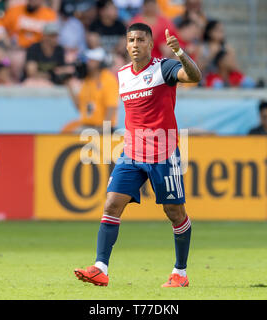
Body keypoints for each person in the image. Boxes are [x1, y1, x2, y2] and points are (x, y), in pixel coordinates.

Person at [74, 22, 202, 287]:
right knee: (111, 204)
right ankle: (100, 267)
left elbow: (194, 77)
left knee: (174, 212)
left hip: (163, 152)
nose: (135, 45)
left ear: (149, 43)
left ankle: (180, 272)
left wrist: (180, 53)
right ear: (126, 43)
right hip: (132, 152)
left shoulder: (164, 68)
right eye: (131, 40)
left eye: (140, 40)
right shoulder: (121, 74)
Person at [64, 47, 119, 133]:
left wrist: (105, 130)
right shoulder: (87, 80)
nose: (87, 63)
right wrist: (69, 86)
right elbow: (80, 106)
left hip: (101, 128)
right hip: (86, 126)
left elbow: (111, 107)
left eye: (91, 60)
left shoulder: (109, 80)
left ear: (100, 63)